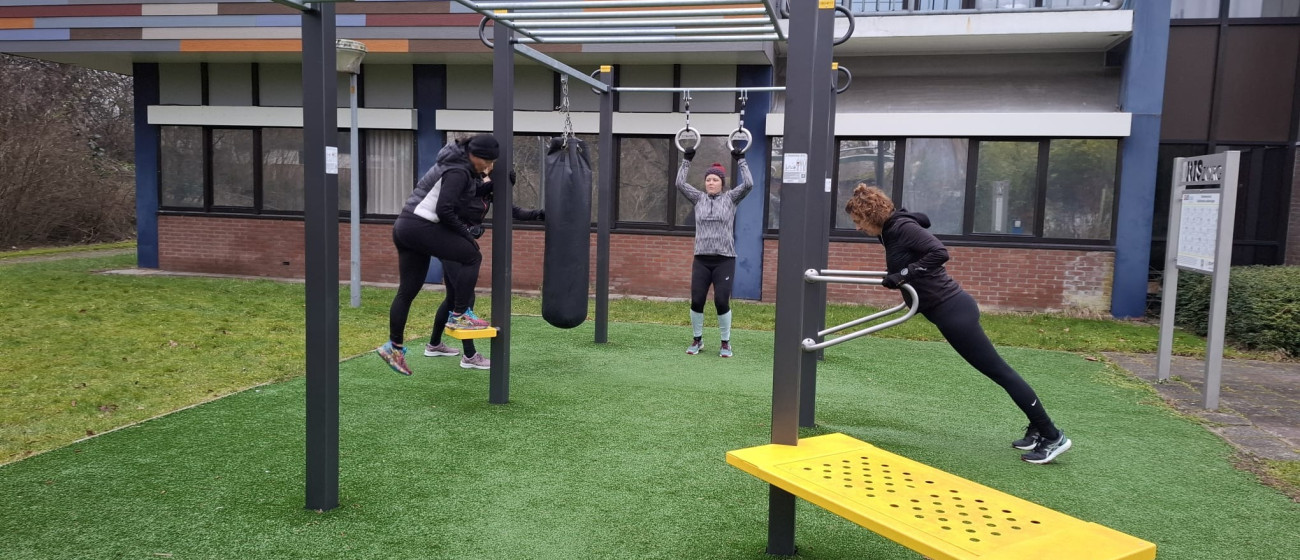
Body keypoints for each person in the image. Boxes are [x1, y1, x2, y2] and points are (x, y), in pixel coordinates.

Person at [843, 183, 1072, 465]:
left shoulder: (901, 228)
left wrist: (903, 274)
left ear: (871, 215)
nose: (857, 228)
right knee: (999, 372)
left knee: (1000, 372)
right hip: (945, 310)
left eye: (858, 222)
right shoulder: (889, 232)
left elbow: (939, 253)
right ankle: (1037, 429)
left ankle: (1052, 435)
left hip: (953, 310)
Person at [377, 134, 497, 376]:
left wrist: (492, 185)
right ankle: (460, 314)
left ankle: (394, 347)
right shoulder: (458, 171)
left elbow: (464, 195)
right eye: (488, 162)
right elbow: (444, 209)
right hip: (422, 226)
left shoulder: (453, 163)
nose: (488, 167)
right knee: (472, 255)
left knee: (408, 290)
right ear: (476, 156)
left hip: (405, 226)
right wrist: (465, 234)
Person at [424, 170, 544, 370]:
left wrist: (539, 214)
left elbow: (512, 211)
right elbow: (448, 212)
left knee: (453, 297)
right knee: (465, 296)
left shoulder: (487, 191)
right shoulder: (467, 183)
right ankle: (469, 356)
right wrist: (467, 229)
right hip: (447, 240)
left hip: (460, 244)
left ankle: (434, 345)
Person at [675, 145, 753, 357]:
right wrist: (687, 159)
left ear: (722, 183)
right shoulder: (698, 198)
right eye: (708, 179)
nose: (711, 182)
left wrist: (741, 160)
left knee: (721, 300)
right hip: (701, 259)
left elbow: (748, 184)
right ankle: (697, 340)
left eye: (715, 180)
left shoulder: (730, 199)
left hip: (724, 259)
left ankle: (725, 342)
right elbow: (680, 183)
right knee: (697, 300)